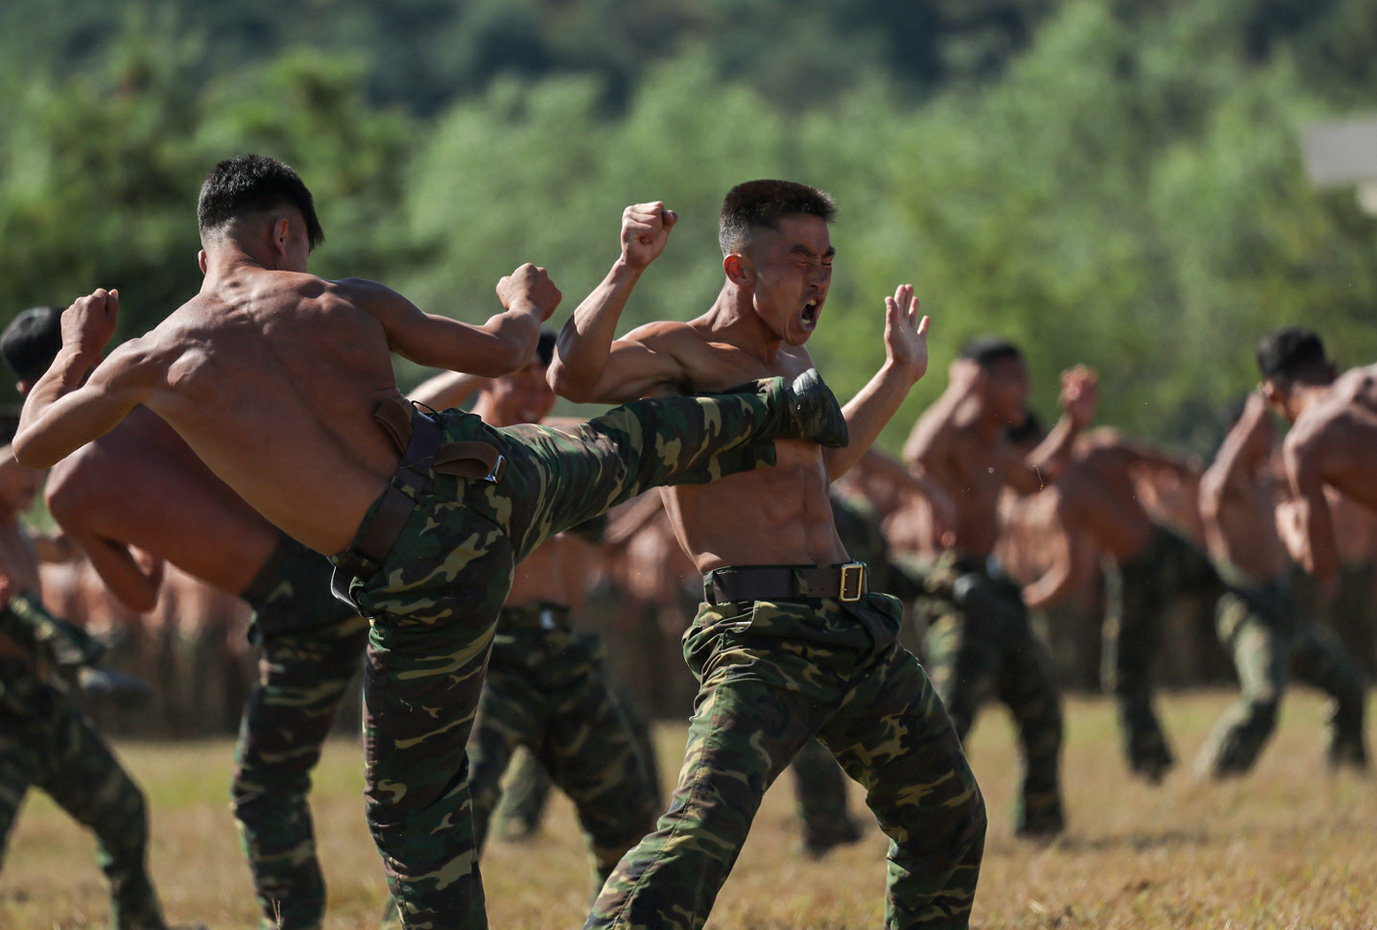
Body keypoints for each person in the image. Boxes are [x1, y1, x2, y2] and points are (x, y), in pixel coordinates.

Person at [12, 154, 847, 930]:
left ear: (204, 258)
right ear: (282, 235)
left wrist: (75, 354)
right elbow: (505, 352)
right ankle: (776, 406)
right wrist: (523, 299)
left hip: (415, 577)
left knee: (415, 815)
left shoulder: (149, 357)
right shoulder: (344, 300)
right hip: (481, 479)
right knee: (624, 444)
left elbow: (33, 445)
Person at [550, 181, 985, 930]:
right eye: (797, 259)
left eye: (826, 260)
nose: (817, 277)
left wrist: (899, 375)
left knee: (946, 818)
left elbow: (823, 469)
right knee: (697, 838)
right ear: (738, 269)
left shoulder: (793, 360)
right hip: (760, 635)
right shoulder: (683, 352)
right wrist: (626, 268)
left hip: (853, 628)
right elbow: (573, 377)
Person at [2, 304, 371, 930]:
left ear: (22, 391)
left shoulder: (67, 490)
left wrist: (145, 535)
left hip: (294, 605)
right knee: (394, 767)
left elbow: (141, 596)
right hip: (341, 554)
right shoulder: (155, 394)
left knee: (264, 790)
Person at [401, 332, 661, 896]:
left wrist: (660, 493)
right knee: (453, 824)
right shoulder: (452, 443)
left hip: (561, 651)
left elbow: (605, 537)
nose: (533, 398)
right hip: (484, 656)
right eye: (518, 381)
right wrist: (485, 353)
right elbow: (410, 412)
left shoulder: (552, 454)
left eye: (542, 386)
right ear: (489, 379)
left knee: (629, 817)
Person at [903, 338, 1095, 835]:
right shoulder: (953, 438)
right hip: (956, 590)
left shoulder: (993, 443)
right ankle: (924, 827)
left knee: (1042, 711)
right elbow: (917, 451)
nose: (1025, 391)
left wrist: (1072, 422)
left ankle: (1041, 823)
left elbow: (1035, 480)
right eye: (1014, 379)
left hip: (994, 589)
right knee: (950, 718)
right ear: (981, 381)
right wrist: (956, 390)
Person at [0, 418, 174, 930]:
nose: (31, 476)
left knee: (123, 810)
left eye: (37, 464)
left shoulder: (20, 533)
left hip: (39, 705)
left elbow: (65, 547)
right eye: (16, 463)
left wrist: (132, 526)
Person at [1020, 427, 1213, 782]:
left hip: (1149, 562)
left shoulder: (1071, 491)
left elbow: (1070, 574)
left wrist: (1025, 599)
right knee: (1127, 673)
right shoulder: (1102, 451)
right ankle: (1151, 759)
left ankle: (1151, 761)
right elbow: (1182, 467)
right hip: (1153, 557)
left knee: (1124, 676)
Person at [1194, 391, 1367, 775]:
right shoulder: (1225, 489)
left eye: (1269, 425)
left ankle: (1347, 767)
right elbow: (1217, 484)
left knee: (1348, 686)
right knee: (1264, 699)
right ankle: (1214, 772)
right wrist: (1248, 424)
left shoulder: (1266, 484)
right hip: (1249, 610)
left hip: (1283, 609)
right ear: (1237, 432)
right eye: (1261, 427)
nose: (1269, 433)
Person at [1256, 327, 1377, 588]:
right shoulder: (1371, 375)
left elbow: (1323, 564)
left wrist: (1288, 525)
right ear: (1332, 370)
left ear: (1272, 396)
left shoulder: (1304, 446)